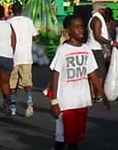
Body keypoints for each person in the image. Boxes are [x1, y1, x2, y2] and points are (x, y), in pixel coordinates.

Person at [47, 15, 109, 150]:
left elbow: (92, 74)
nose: (81, 30)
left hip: (82, 101)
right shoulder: (63, 50)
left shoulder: (86, 49)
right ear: (68, 30)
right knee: (65, 139)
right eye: (76, 27)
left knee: (76, 138)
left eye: (82, 26)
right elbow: (55, 75)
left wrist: (103, 95)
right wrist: (54, 101)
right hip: (66, 103)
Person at [7, 1, 38, 117]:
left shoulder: (8, 22)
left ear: (12, 11)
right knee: (27, 82)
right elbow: (35, 36)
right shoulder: (28, 21)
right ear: (22, 10)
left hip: (13, 57)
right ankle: (29, 103)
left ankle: (13, 108)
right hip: (26, 57)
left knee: (12, 83)